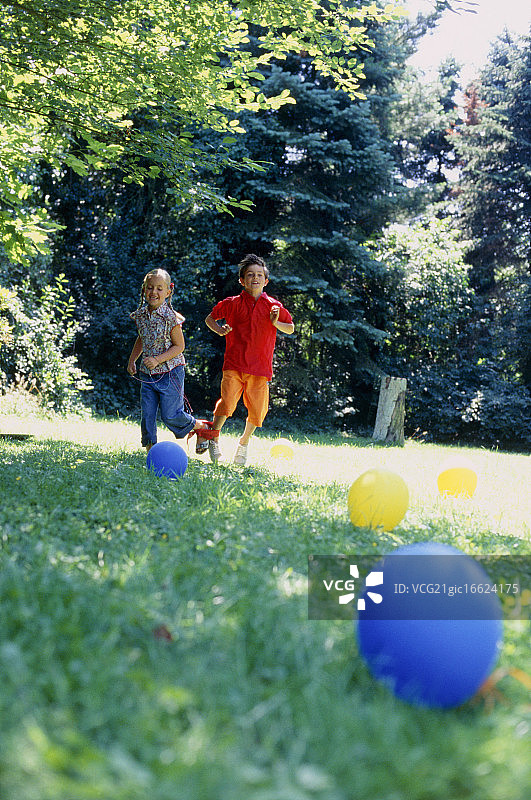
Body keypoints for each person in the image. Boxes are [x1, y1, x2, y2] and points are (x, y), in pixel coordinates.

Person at [204, 254, 294, 465]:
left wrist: (275, 322)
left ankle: (243, 444)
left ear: (266, 281)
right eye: (250, 275)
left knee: (257, 410)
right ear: (241, 280)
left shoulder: (274, 306)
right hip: (234, 364)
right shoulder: (232, 303)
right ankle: (213, 438)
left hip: (260, 368)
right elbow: (210, 318)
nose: (255, 278)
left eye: (259, 275)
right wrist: (219, 330)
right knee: (227, 403)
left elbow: (290, 328)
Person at [127, 268, 213, 452]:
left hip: (170, 372)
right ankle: (151, 450)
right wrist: (133, 359)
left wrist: (157, 359)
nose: (154, 292)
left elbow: (179, 347)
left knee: (171, 416)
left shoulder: (170, 318)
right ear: (144, 290)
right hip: (147, 374)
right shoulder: (141, 315)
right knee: (147, 414)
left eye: (159, 288)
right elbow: (142, 338)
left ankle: (202, 427)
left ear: (168, 292)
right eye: (150, 287)